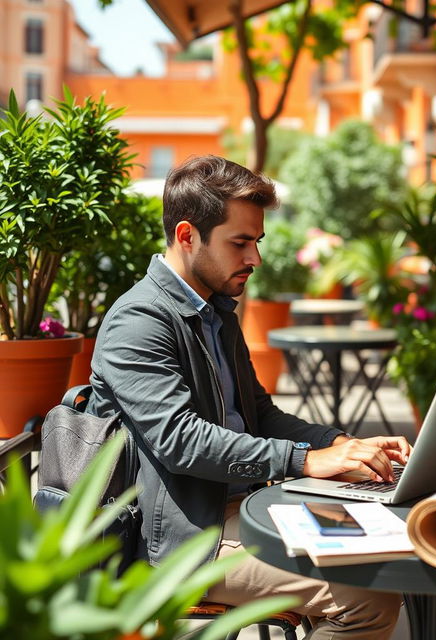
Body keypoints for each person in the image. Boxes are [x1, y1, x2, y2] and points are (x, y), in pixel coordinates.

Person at [88, 155, 410, 639]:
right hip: (184, 539)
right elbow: (181, 442)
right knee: (366, 595)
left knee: (394, 546)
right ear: (186, 236)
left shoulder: (217, 311)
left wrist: (341, 443)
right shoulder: (138, 322)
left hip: (248, 508)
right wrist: (304, 460)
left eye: (256, 242)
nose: (255, 259)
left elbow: (260, 415)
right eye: (240, 243)